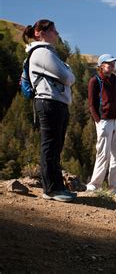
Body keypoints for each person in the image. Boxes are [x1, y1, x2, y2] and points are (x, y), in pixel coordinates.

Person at [22, 19, 76, 202]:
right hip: (49, 103)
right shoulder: (42, 53)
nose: (57, 33)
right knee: (50, 147)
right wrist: (68, 71)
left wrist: (67, 72)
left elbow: (66, 75)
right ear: (40, 32)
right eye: (53, 30)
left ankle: (57, 187)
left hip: (54, 103)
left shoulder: (47, 53)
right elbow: (68, 77)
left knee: (55, 147)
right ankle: (51, 189)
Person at [87, 54, 116, 198]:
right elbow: (91, 104)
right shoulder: (95, 81)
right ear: (101, 65)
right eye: (109, 63)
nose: (112, 65)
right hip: (105, 122)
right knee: (103, 154)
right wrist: (98, 121)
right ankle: (94, 186)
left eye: (113, 63)